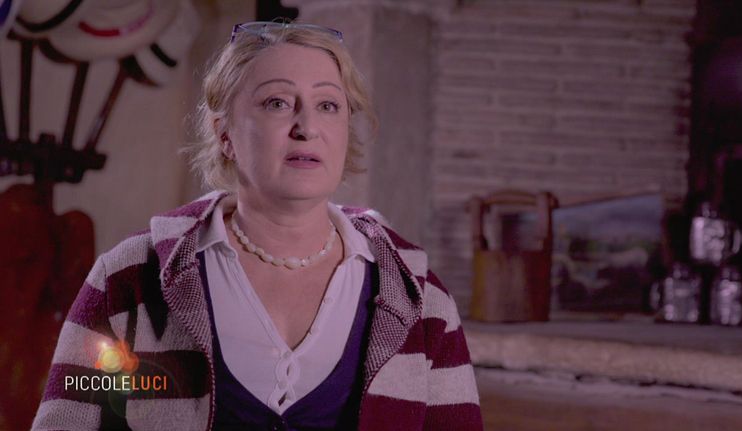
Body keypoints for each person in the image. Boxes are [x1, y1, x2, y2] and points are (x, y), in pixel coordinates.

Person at [32, 21, 483, 430]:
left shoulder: (418, 297)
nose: (307, 127)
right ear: (225, 133)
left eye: (328, 105)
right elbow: (74, 415)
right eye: (277, 103)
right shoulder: (131, 278)